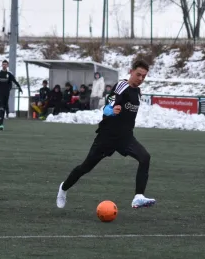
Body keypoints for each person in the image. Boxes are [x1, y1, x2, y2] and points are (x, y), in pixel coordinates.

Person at [56, 60, 156, 209]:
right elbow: (107, 107)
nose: (141, 79)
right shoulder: (122, 86)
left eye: (144, 76)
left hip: (125, 137)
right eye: (138, 75)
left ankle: (138, 196)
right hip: (107, 136)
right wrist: (111, 111)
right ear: (131, 71)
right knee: (85, 167)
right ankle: (63, 189)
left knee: (145, 157)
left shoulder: (138, 92)